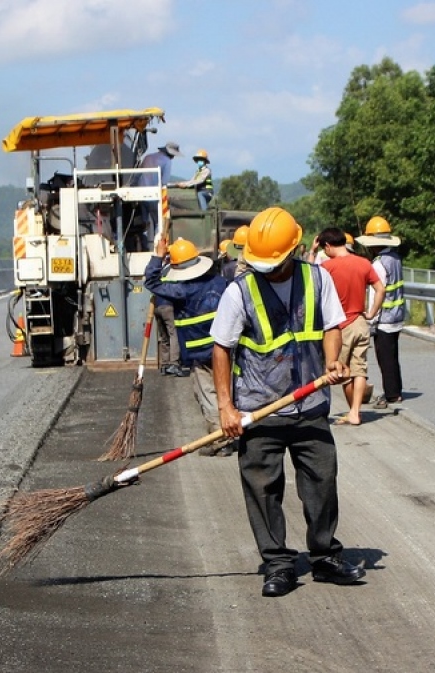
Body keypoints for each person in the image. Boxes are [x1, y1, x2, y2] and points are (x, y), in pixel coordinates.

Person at [210, 206, 366, 598]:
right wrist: (226, 408)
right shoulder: (239, 291)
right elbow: (222, 348)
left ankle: (324, 556)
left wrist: (333, 361)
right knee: (262, 487)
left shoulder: (317, 279)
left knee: (322, 481)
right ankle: (278, 563)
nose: (268, 270)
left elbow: (332, 325)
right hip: (259, 409)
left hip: (310, 405)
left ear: (295, 249)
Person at [144, 237, 227, 429]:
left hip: (198, 352)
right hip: (224, 348)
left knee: (208, 393)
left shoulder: (182, 290)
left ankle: (219, 439)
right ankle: (231, 431)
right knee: (226, 391)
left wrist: (158, 256)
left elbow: (151, 282)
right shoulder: (219, 282)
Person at [318, 227, 385, 426]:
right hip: (360, 321)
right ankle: (355, 412)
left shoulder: (326, 268)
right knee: (360, 369)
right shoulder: (363, 263)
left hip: (339, 326)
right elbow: (380, 288)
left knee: (338, 371)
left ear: (328, 246)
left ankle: (326, 412)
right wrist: (372, 313)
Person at [356, 216, 406, 409]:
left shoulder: (378, 264)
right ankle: (396, 391)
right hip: (397, 315)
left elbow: (378, 291)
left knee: (385, 359)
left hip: (385, 318)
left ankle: (392, 394)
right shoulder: (395, 258)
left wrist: (370, 316)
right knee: (393, 356)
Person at [135, 141, 181, 250]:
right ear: (171, 154)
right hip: (153, 195)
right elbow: (164, 182)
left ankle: (144, 246)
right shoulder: (167, 161)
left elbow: (137, 176)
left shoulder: (148, 157)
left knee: (144, 223)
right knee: (158, 223)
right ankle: (157, 248)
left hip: (140, 194)